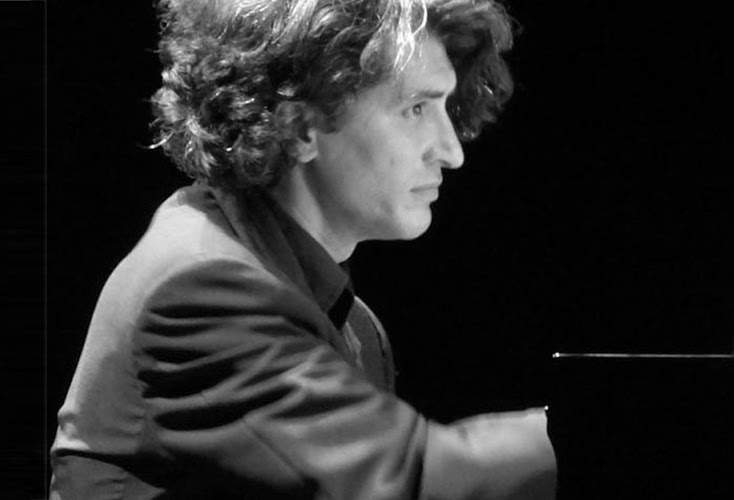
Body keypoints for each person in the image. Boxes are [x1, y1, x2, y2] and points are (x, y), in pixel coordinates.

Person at [49, 0, 556, 498]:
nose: (451, 151)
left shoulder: (355, 326)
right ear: (299, 128)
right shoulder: (198, 287)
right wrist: (592, 425)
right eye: (416, 108)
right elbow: (402, 478)